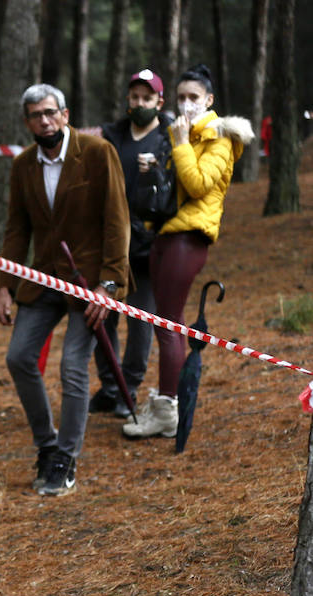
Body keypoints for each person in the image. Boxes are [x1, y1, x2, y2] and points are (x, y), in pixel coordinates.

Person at [0, 83, 130, 497]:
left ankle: (65, 458)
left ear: (66, 114)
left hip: (91, 283)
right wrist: (5, 285)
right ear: (27, 122)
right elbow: (18, 229)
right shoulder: (22, 166)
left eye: (51, 112)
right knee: (18, 357)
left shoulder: (96, 153)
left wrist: (109, 285)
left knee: (73, 367)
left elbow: (116, 221)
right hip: (43, 280)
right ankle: (46, 444)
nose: (45, 121)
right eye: (36, 115)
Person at [123, 64, 252, 439]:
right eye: (180, 98)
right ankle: (167, 401)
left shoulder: (220, 137)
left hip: (190, 237)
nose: (185, 104)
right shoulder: (185, 134)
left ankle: (166, 409)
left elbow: (197, 184)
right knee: (167, 321)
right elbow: (173, 185)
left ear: (209, 100)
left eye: (194, 97)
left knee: (167, 322)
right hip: (166, 232)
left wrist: (179, 145)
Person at [91, 68, 176, 419]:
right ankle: (110, 387)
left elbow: (175, 192)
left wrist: (157, 174)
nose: (140, 103)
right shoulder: (111, 136)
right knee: (102, 315)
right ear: (128, 100)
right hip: (111, 245)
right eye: (135, 97)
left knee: (140, 319)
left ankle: (130, 387)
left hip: (147, 247)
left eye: (147, 97)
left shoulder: (170, 140)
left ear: (159, 101)